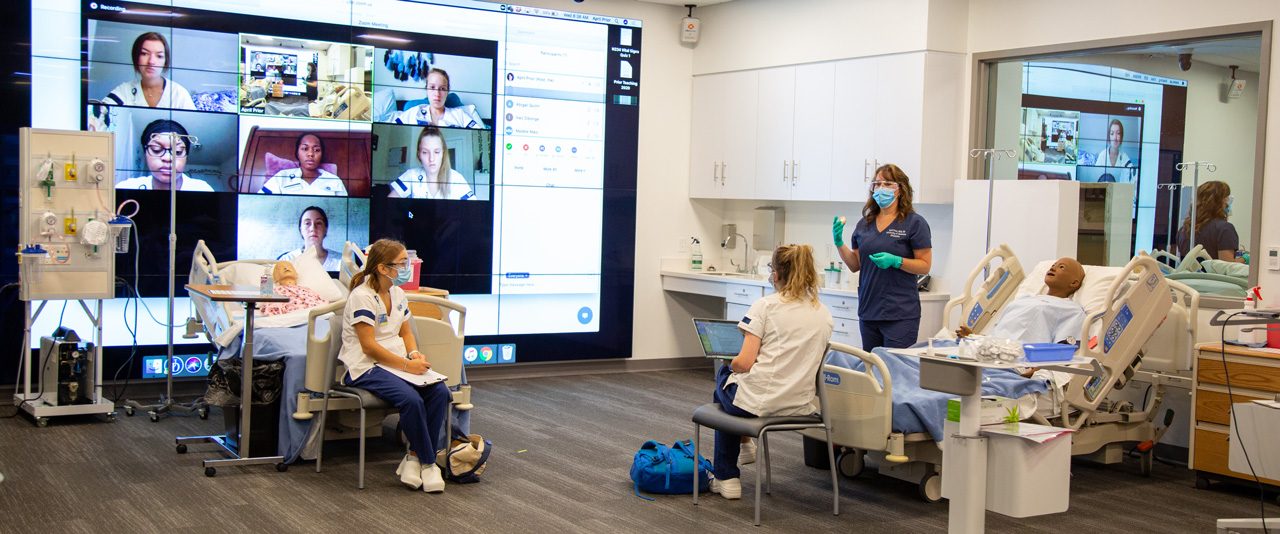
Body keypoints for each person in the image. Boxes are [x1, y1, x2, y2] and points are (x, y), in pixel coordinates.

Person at [708, 244, 833, 500]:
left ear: (775, 274)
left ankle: (727, 475)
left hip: (758, 404)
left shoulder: (765, 306)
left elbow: (743, 363)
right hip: (800, 405)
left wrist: (728, 364)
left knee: (723, 380)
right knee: (729, 390)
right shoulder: (823, 312)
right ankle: (741, 445)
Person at [339, 239, 450, 493]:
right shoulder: (362, 297)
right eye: (402, 263)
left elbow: (406, 331)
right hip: (366, 366)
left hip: (397, 363)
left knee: (440, 392)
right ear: (382, 268)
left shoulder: (398, 294)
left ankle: (413, 456)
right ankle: (429, 463)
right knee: (411, 400)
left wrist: (414, 354)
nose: (406, 267)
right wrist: (406, 365)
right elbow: (368, 347)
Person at [833, 163, 932, 351]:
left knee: (894, 371)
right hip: (869, 311)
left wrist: (897, 261)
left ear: (900, 189)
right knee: (872, 373)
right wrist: (839, 243)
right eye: (877, 184)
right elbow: (855, 265)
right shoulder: (865, 224)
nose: (880, 188)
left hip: (900, 314)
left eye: (887, 184)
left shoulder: (914, 223)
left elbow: (925, 265)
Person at [103, 32, 196, 110]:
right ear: (136, 58)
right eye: (144, 54)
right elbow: (99, 115)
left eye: (159, 56)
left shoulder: (179, 94)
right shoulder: (125, 91)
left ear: (165, 61)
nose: (151, 61)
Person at [116, 119, 213, 191]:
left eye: (177, 152)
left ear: (186, 156)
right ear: (145, 153)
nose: (167, 158)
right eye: (156, 150)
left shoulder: (203, 189)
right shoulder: (125, 188)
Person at [388, 127, 475, 200]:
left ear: (443, 153)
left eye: (436, 152)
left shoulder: (457, 178)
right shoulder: (411, 175)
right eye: (425, 152)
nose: (431, 159)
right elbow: (389, 204)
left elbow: (473, 210)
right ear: (419, 155)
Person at [391, 68, 485, 128]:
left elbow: (478, 132)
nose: (437, 93)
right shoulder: (414, 112)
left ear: (447, 91)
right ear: (426, 89)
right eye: (432, 87)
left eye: (442, 88)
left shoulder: (459, 115)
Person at [258, 133, 347, 196]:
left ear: (322, 154)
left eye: (316, 150)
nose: (311, 154)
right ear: (297, 153)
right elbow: (261, 202)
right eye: (305, 149)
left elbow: (344, 212)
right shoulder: (282, 176)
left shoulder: (334, 180)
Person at [1176, 180, 1242, 262]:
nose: (1228, 203)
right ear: (1220, 202)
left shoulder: (1184, 229)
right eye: (1227, 199)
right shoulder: (1224, 229)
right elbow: (1227, 266)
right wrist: (1244, 259)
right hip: (1214, 274)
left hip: (1189, 275)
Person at [277, 206, 342, 271]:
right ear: (301, 229)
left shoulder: (341, 262)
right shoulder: (286, 261)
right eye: (307, 223)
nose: (313, 228)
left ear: (325, 229)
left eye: (318, 223)